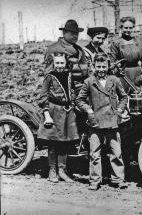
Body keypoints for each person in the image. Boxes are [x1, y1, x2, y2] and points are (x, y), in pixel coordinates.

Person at [75, 53, 129, 190]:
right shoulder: (89, 81)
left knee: (116, 152)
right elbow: (79, 100)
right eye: (98, 67)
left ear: (108, 66)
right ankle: (94, 180)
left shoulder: (114, 80)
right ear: (93, 67)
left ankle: (118, 179)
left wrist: (119, 110)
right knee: (94, 153)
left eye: (104, 66)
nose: (101, 70)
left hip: (112, 121)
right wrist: (88, 110)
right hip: (95, 121)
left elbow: (124, 97)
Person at [37, 53, 79, 183]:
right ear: (53, 64)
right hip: (53, 112)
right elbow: (43, 97)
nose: (60, 66)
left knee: (64, 143)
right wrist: (47, 115)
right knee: (53, 143)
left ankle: (62, 170)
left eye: (62, 63)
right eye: (57, 63)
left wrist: (72, 104)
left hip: (67, 112)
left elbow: (72, 92)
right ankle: (52, 170)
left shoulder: (69, 75)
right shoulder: (50, 77)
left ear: (65, 64)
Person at [43, 19, 88, 95]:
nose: (75, 36)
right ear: (64, 33)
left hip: (81, 88)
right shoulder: (53, 49)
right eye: (72, 33)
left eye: (77, 33)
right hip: (61, 89)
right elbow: (48, 73)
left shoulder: (79, 50)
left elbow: (85, 70)